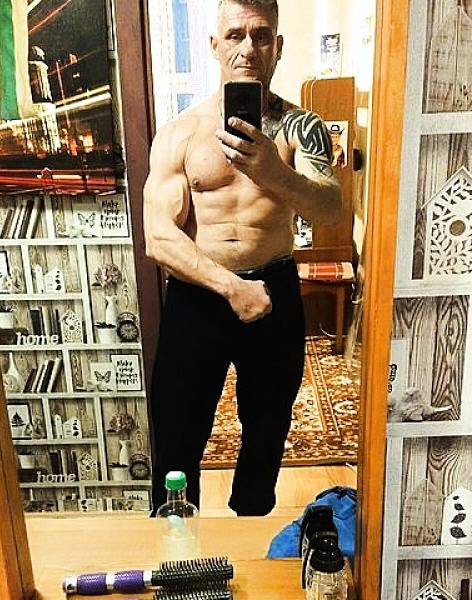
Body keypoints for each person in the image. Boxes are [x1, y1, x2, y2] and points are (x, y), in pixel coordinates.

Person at [143, 0, 341, 516]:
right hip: (198, 298)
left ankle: (251, 538)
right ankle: (176, 544)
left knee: (266, 435)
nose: (248, 48)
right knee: (176, 434)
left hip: (275, 293)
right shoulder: (182, 132)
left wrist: (275, 173)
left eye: (261, 35)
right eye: (235, 35)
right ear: (215, 46)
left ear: (278, 45)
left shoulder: (302, 128)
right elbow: (158, 237)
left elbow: (331, 209)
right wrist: (232, 288)